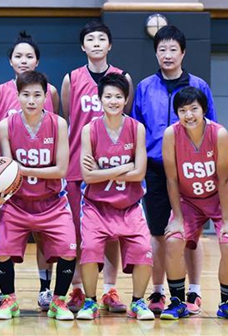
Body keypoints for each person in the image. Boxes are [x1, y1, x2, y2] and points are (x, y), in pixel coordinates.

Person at [131, 25, 217, 315]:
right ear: (155, 53)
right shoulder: (144, 87)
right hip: (156, 171)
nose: (167, 55)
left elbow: (212, 128)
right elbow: (137, 131)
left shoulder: (199, 86)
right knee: (158, 233)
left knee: (191, 236)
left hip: (191, 171)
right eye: (162, 49)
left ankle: (194, 291)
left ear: (183, 52)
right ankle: (157, 292)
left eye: (172, 49)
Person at [61, 20, 133, 312]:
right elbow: (68, 117)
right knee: (78, 233)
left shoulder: (123, 77)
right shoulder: (72, 78)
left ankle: (109, 290)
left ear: (109, 45)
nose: (96, 44)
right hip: (78, 167)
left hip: (113, 166)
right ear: (83, 46)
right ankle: (78, 288)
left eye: (101, 39)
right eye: (90, 39)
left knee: (113, 233)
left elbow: (125, 119)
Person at [0, 71, 76, 321]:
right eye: (26, 94)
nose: (31, 100)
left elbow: (61, 169)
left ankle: (58, 302)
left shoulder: (58, 124)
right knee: (1, 250)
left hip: (52, 202)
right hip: (17, 203)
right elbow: (7, 169)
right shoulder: (5, 126)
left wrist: (24, 170)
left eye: (37, 95)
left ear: (46, 96)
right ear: (17, 96)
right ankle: (9, 300)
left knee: (69, 249)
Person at [160, 87, 228, 322]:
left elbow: (223, 180)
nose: (189, 115)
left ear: (204, 109)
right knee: (173, 241)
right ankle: (177, 302)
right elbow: (171, 180)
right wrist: (178, 218)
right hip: (188, 199)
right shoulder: (171, 135)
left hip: (220, 197)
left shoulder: (219, 134)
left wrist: (227, 220)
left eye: (194, 109)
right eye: (182, 110)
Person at [0, 31, 60, 311]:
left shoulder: (50, 92)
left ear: (37, 61)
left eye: (29, 56)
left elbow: (53, 127)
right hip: (8, 179)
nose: (24, 60)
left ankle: (45, 289)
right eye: (18, 56)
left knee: (43, 236)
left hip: (41, 173)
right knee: (5, 238)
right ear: (10, 61)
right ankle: (6, 292)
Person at [77, 74, 154, 321]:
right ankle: (90, 301)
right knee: (89, 248)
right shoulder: (89, 130)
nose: (113, 101)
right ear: (100, 99)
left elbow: (139, 173)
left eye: (118, 97)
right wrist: (124, 167)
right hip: (96, 206)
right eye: (108, 96)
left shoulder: (136, 128)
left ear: (126, 99)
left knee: (143, 248)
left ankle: (138, 302)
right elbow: (88, 177)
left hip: (129, 205)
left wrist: (103, 171)